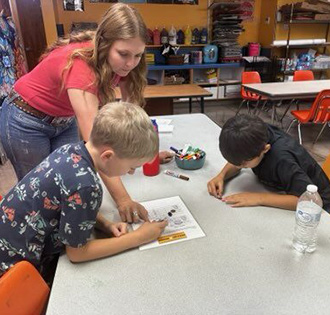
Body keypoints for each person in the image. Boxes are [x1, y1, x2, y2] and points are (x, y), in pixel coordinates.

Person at [0, 3, 173, 223]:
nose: (130, 63)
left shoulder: (127, 63)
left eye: (138, 55)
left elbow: (132, 122)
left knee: (71, 178)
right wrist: (123, 200)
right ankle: (46, 253)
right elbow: (98, 144)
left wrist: (144, 156)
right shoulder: (82, 67)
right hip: (25, 119)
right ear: (104, 44)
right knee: (41, 193)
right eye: (123, 54)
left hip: (63, 118)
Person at [0, 102, 167, 281]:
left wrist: (104, 224)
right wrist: (139, 237)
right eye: (132, 167)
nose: (131, 172)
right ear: (108, 156)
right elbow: (77, 254)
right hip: (13, 268)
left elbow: (69, 204)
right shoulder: (86, 186)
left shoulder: (71, 150)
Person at [207, 114, 330, 212]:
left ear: (265, 149)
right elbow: (238, 161)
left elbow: (308, 201)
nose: (239, 166)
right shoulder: (256, 134)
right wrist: (221, 176)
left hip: (321, 208)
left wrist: (257, 198)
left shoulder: (282, 159)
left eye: (244, 164)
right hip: (284, 188)